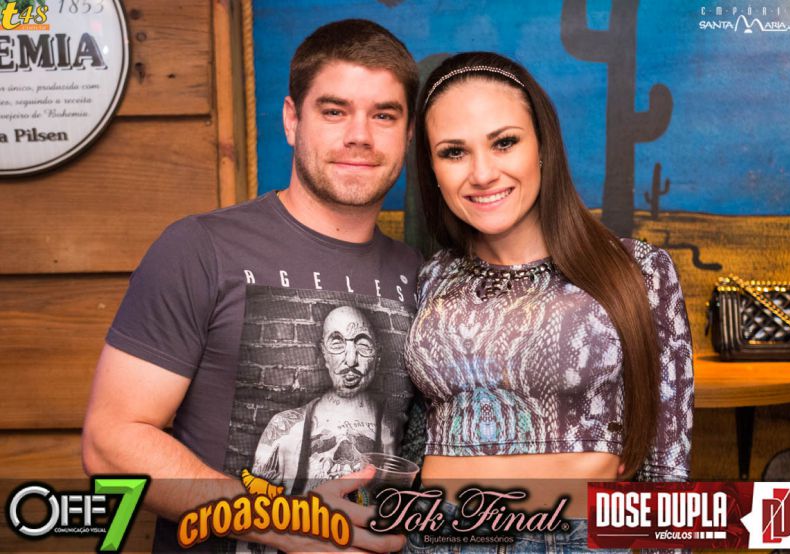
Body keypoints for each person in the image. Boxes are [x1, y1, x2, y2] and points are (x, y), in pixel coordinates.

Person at [82, 19, 422, 553]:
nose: (359, 135)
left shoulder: (420, 276)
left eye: (383, 115)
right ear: (291, 120)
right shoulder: (200, 248)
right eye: (334, 111)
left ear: (408, 134)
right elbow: (111, 444)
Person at [403, 52, 694, 551]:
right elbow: (413, 440)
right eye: (453, 152)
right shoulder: (431, 278)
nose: (482, 173)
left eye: (504, 142)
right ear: (432, 169)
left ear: (542, 145)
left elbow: (669, 469)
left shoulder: (639, 271)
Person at [251, 306, 395, 494]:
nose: (351, 360)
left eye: (363, 345)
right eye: (337, 343)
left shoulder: (394, 432)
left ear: (378, 356)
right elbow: (254, 505)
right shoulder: (284, 429)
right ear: (322, 354)